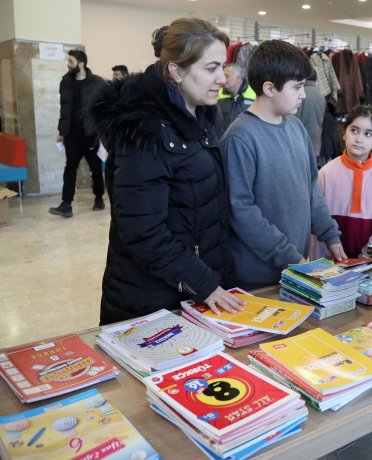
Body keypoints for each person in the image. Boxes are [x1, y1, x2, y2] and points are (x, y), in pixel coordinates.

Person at [87, 17, 244, 325]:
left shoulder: (202, 116)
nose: (222, 79)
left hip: (191, 289)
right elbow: (143, 232)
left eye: (222, 67)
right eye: (210, 68)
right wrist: (203, 281)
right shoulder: (143, 130)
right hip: (151, 300)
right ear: (176, 71)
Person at [221, 39, 347, 291]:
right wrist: (291, 257)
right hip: (255, 278)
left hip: (294, 268)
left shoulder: (296, 128)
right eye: (297, 87)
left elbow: (311, 188)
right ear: (269, 88)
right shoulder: (240, 137)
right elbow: (241, 210)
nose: (303, 95)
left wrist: (330, 235)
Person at [318, 104, 372, 258]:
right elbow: (318, 221)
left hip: (370, 263)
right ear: (344, 133)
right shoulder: (325, 174)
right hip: (328, 264)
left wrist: (365, 257)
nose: (359, 139)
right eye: (354, 130)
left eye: (368, 134)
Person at [50, 50, 106, 218]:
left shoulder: (98, 82)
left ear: (81, 64)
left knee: (95, 168)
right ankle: (66, 204)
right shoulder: (65, 81)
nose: (68, 64)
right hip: (71, 135)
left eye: (71, 61)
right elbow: (64, 109)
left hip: (91, 134)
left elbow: (103, 108)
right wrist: (62, 131)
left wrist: (101, 131)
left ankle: (99, 198)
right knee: (70, 168)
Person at [295, 70, 326, 165]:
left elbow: (295, 118)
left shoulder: (301, 94)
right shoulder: (321, 96)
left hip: (300, 142)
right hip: (316, 142)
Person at [216, 63, 255, 135]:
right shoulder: (217, 95)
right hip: (223, 141)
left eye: (227, 76)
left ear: (238, 78)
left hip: (246, 141)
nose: (223, 79)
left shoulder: (254, 95)